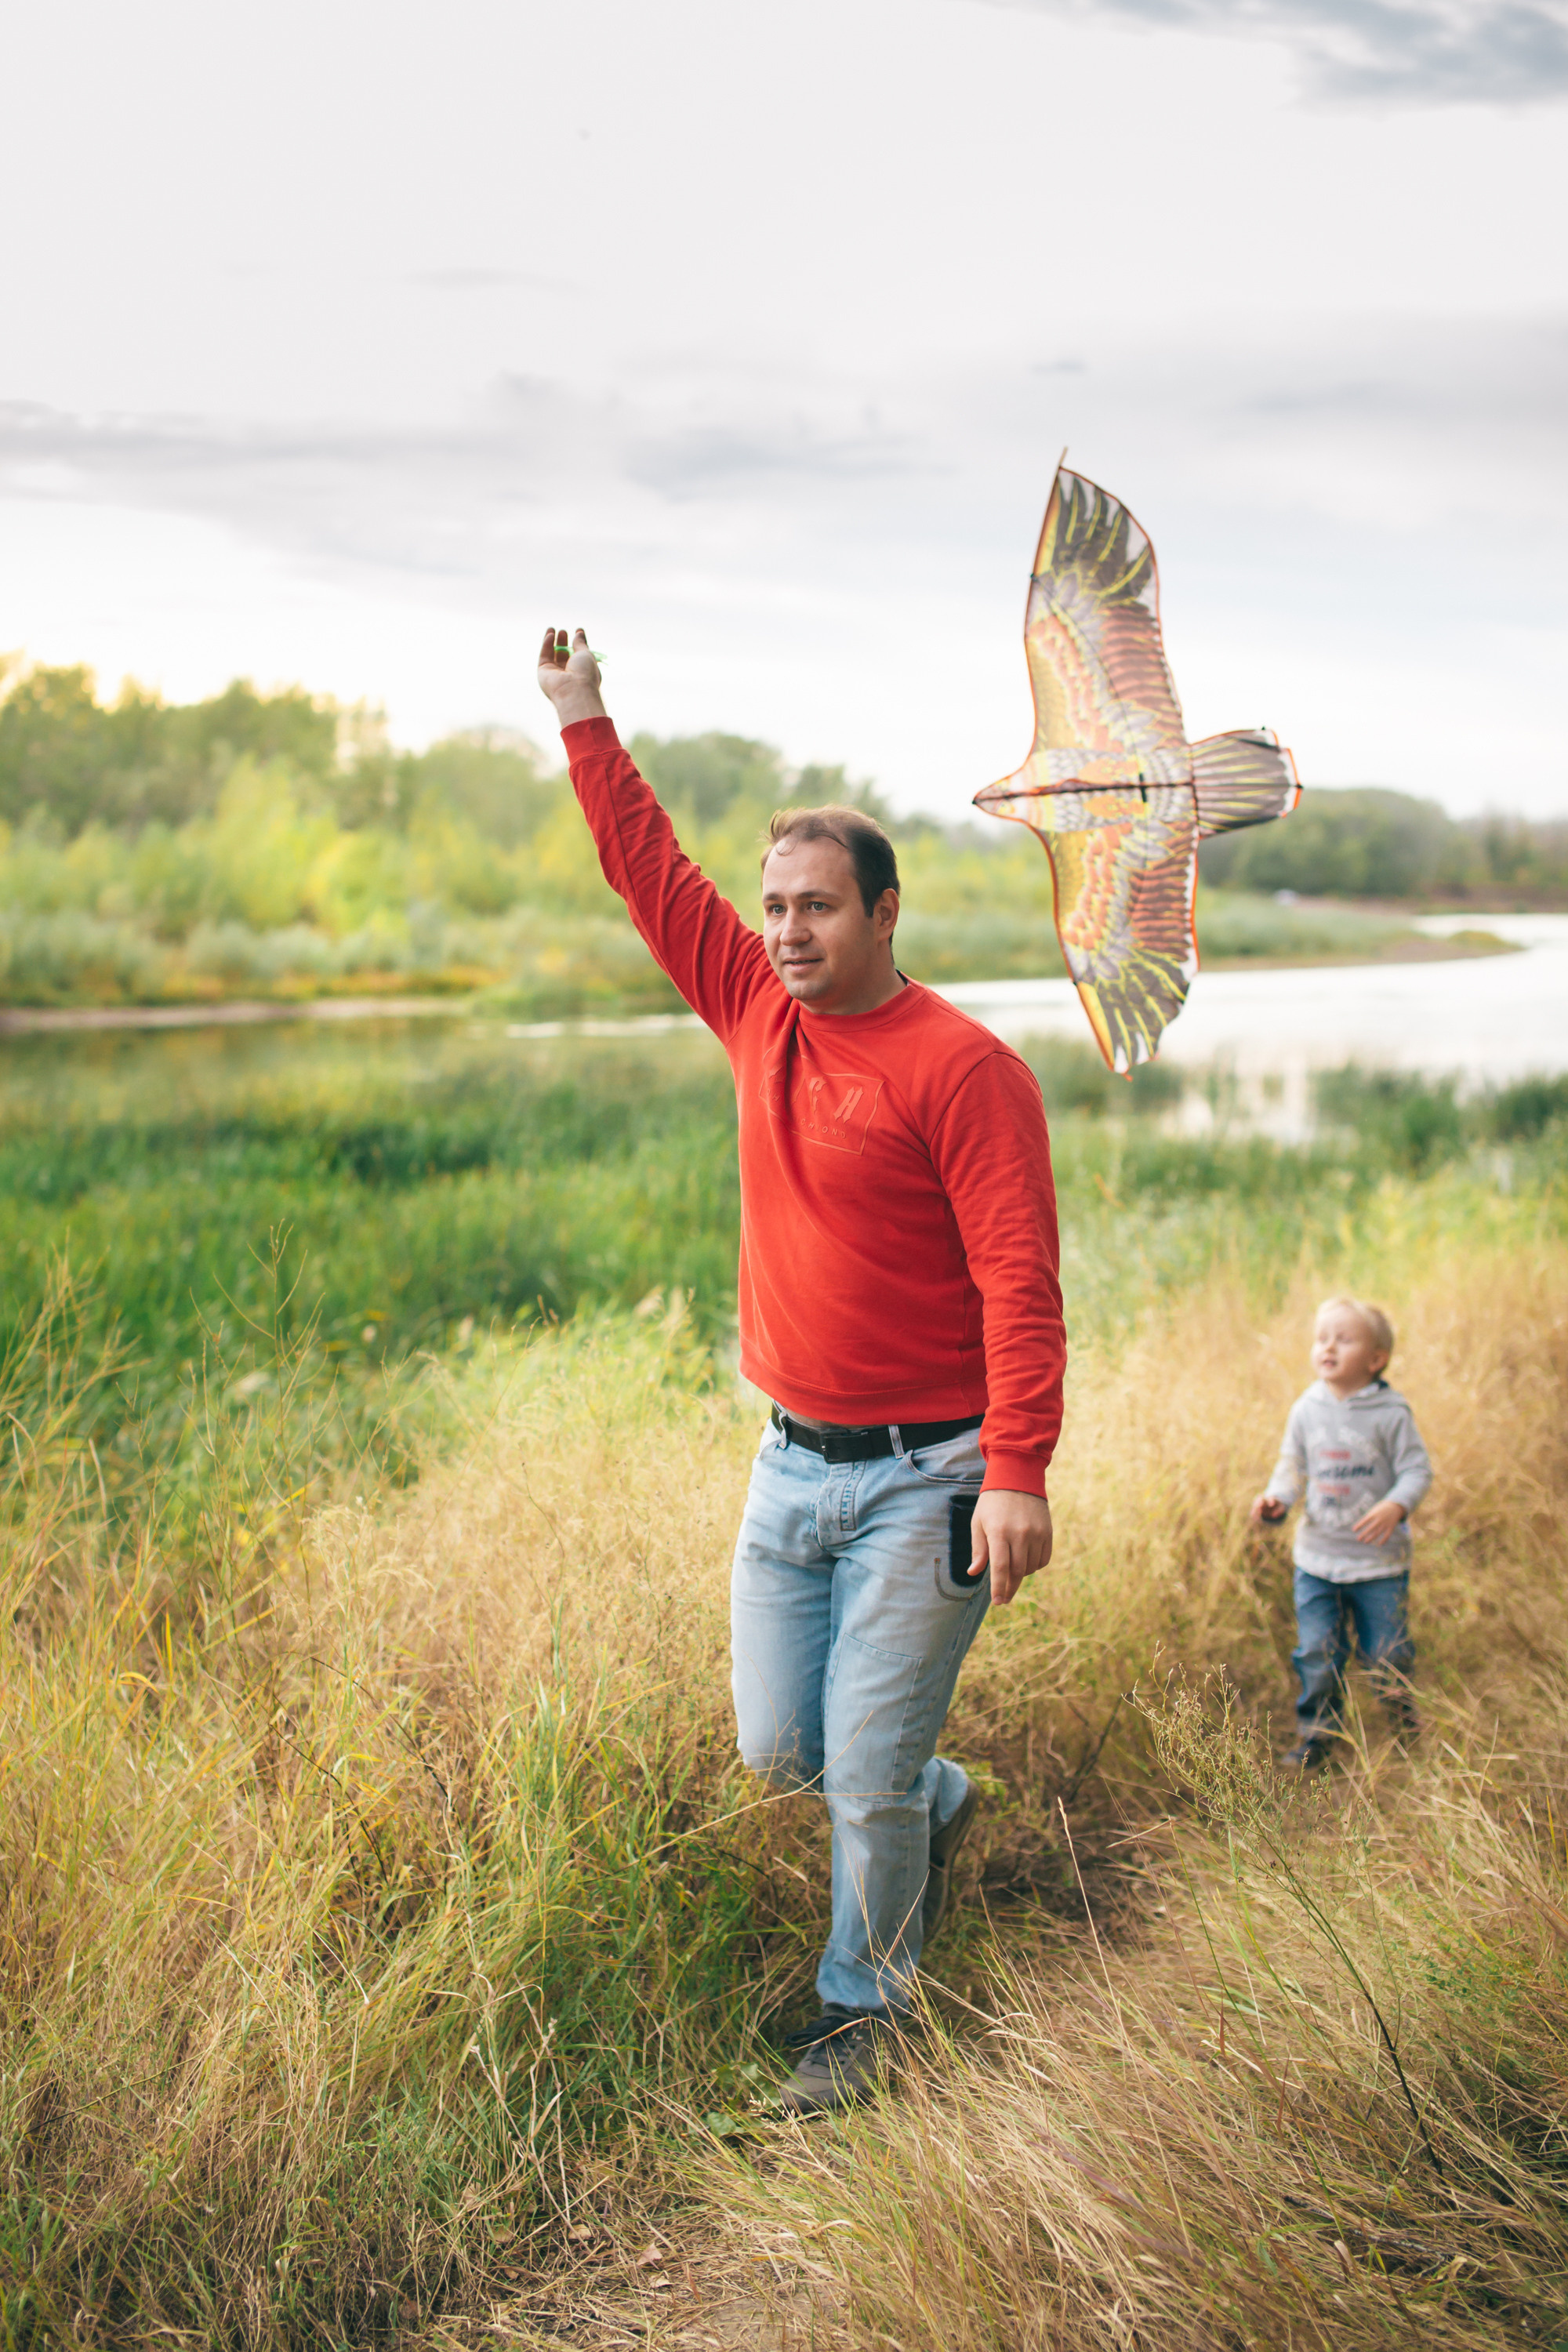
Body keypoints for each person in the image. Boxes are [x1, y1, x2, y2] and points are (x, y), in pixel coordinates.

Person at [536, 628, 1066, 2113]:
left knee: (863, 1770)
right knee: (785, 1751)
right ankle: (931, 1804)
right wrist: (583, 717)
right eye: (774, 906)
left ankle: (864, 2014)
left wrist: (1017, 1471)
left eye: (817, 906)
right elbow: (649, 872)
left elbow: (1021, 1284)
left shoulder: (966, 1072)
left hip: (928, 1476)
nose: (785, 930)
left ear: (885, 913)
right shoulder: (753, 1009)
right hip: (788, 1463)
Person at [1250, 1294, 1432, 1770]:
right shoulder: (1306, 1408)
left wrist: (1396, 1504)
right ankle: (1318, 1737)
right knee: (1317, 1651)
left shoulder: (1391, 1412)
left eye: (1344, 1339)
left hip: (1378, 1564)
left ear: (1376, 1359)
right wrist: (1277, 1500)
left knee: (1387, 1653)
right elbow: (1291, 1467)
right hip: (1317, 1560)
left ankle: (1403, 1724)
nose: (1328, 1347)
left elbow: (1417, 1471)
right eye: (1321, 1338)